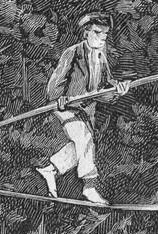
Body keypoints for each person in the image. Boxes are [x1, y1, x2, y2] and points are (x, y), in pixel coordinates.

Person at [34, 12, 130, 206]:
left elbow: (105, 88)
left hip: (85, 112)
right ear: (86, 32)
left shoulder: (101, 57)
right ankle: (89, 186)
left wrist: (119, 90)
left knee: (81, 146)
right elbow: (55, 82)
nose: (102, 37)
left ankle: (51, 169)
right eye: (97, 32)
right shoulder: (73, 52)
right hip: (67, 107)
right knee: (84, 139)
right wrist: (58, 98)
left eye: (105, 33)